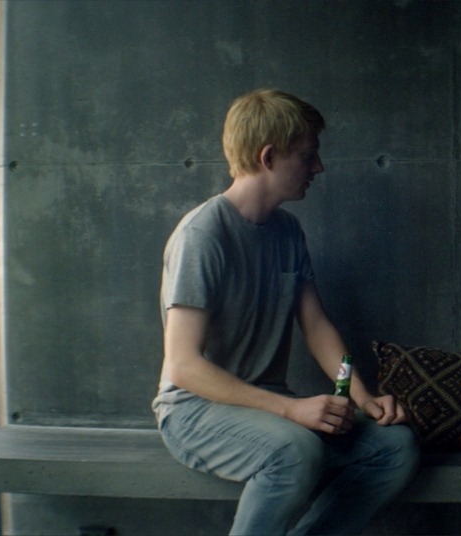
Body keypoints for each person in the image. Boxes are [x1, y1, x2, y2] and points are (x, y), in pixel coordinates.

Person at [153, 89, 419, 535]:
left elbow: (316, 326)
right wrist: (289, 410)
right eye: (308, 155)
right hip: (195, 412)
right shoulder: (202, 235)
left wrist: (362, 396)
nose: (319, 168)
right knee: (294, 450)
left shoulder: (288, 231)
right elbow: (183, 366)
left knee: (395, 446)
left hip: (266, 410)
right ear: (269, 157)